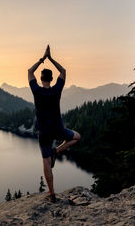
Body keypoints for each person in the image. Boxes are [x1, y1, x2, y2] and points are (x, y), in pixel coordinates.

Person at [28, 45, 81, 203]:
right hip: (58, 129)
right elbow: (63, 71)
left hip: (44, 133)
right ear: (51, 80)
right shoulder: (56, 90)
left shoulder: (36, 90)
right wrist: (51, 58)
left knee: (46, 163)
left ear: (41, 79)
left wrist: (42, 59)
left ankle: (51, 194)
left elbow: (30, 72)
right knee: (77, 137)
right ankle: (57, 151)